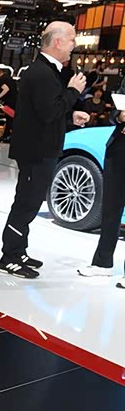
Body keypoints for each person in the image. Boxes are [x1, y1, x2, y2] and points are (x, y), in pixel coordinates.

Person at [0, 21, 90, 279]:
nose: (74, 45)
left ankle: (19, 251)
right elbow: (49, 111)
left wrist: (70, 116)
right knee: (26, 204)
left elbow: (45, 111)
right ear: (57, 42)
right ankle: (9, 257)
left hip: (40, 149)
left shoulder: (44, 71)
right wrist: (73, 91)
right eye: (71, 39)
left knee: (29, 201)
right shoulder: (42, 73)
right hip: (36, 151)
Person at [78, 79, 125, 288]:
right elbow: (115, 110)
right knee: (111, 208)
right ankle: (102, 263)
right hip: (119, 147)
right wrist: (120, 115)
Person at [0, 65, 17, 142]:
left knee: (9, 119)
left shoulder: (1, 79)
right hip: (14, 100)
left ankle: (7, 136)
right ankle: (8, 135)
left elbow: (6, 89)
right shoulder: (9, 78)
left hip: (9, 101)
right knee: (11, 118)